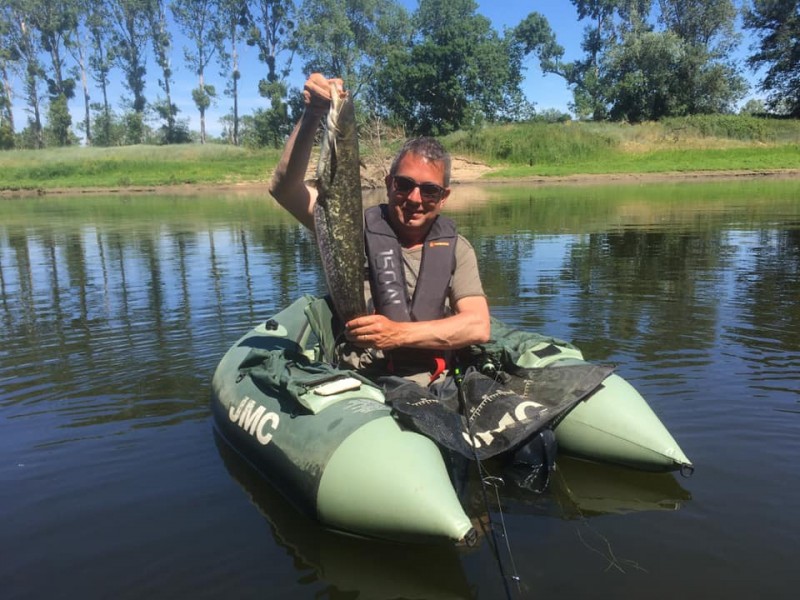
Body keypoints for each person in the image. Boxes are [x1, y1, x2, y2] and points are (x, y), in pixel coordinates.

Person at [269, 73, 490, 385]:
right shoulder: (348, 226)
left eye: (429, 191)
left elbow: (478, 326)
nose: (415, 199)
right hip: (363, 381)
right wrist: (312, 115)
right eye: (404, 185)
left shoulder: (457, 249)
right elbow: (285, 189)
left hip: (435, 381)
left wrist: (397, 334)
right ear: (388, 184)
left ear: (444, 198)